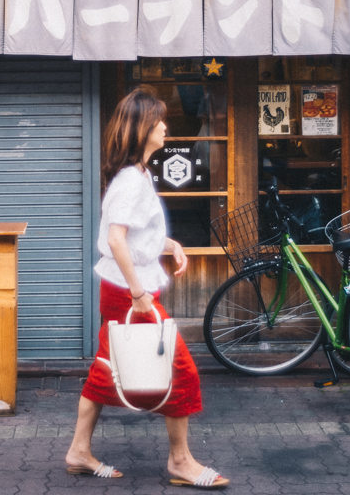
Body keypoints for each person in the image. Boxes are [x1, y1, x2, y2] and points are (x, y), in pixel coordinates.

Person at [64, 87, 229, 490]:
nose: (166, 126)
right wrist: (139, 293)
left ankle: (79, 452)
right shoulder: (130, 180)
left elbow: (132, 234)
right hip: (129, 295)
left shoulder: (136, 174)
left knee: (107, 369)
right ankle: (181, 461)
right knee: (181, 372)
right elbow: (117, 239)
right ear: (142, 129)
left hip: (122, 290)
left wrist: (168, 245)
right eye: (158, 120)